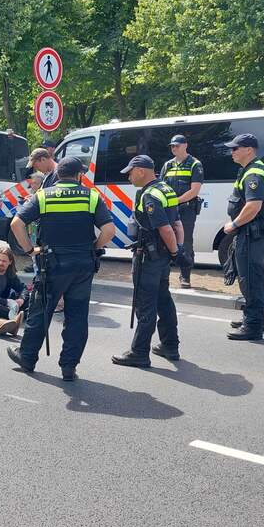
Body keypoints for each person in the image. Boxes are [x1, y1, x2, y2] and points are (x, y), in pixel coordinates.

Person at [6, 157, 115, 379]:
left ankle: (27, 358)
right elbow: (109, 231)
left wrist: (30, 250)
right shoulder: (92, 196)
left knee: (41, 311)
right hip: (83, 265)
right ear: (79, 175)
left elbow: (16, 223)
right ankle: (69, 367)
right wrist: (94, 247)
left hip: (52, 264)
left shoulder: (43, 196)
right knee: (77, 316)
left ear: (58, 175)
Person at [110, 155, 188, 368]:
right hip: (162, 257)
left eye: (130, 173)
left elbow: (165, 228)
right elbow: (177, 225)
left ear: (141, 171)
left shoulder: (149, 195)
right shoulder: (167, 189)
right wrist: (177, 251)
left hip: (148, 258)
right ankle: (170, 346)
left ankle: (139, 352)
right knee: (164, 300)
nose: (129, 177)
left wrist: (174, 251)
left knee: (146, 305)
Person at [223, 134, 264, 341]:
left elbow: (253, 206)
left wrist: (234, 224)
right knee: (252, 277)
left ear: (249, 150)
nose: (232, 152)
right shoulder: (250, 169)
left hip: (251, 232)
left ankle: (252, 326)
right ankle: (254, 318)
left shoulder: (254, 172)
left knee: (250, 278)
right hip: (250, 231)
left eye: (235, 148)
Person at [161, 134, 204, 289]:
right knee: (164, 239)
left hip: (186, 210)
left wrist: (175, 201)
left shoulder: (195, 164)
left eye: (177, 145)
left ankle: (185, 276)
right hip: (169, 209)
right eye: (172, 146)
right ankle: (163, 273)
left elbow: (194, 190)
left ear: (185, 145)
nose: (174, 148)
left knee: (185, 243)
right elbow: (161, 186)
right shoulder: (168, 165)